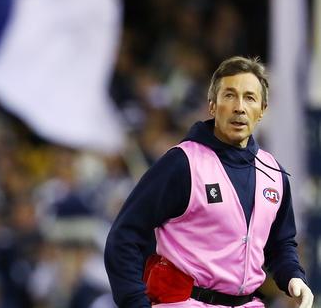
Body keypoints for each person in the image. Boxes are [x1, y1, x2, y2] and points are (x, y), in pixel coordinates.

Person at [104, 57, 313, 307]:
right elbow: (124, 237)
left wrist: (293, 277)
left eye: (249, 97)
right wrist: (135, 302)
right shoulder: (182, 164)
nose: (239, 107)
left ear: (262, 111)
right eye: (229, 95)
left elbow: (281, 244)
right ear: (212, 106)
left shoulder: (274, 173)